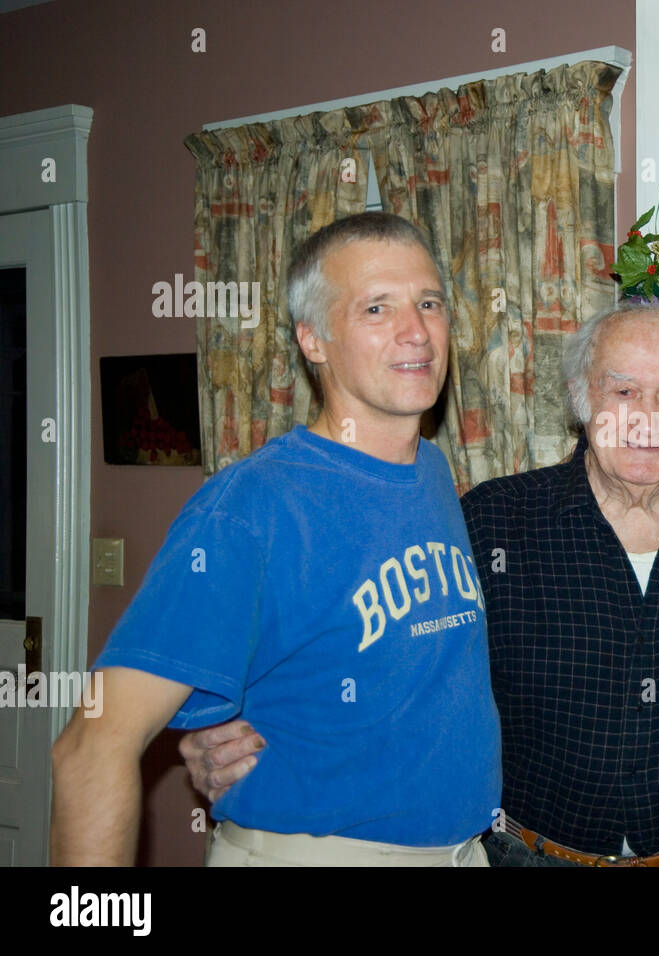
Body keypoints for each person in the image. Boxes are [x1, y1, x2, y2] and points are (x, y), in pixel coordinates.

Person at [185, 302, 659, 866]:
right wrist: (240, 721)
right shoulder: (491, 520)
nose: (648, 416)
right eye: (623, 391)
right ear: (582, 400)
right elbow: (381, 649)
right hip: (527, 855)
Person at [50, 212, 501, 866]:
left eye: (428, 302)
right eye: (376, 308)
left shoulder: (429, 469)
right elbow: (91, 747)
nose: (417, 332)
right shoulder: (251, 508)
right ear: (312, 340)